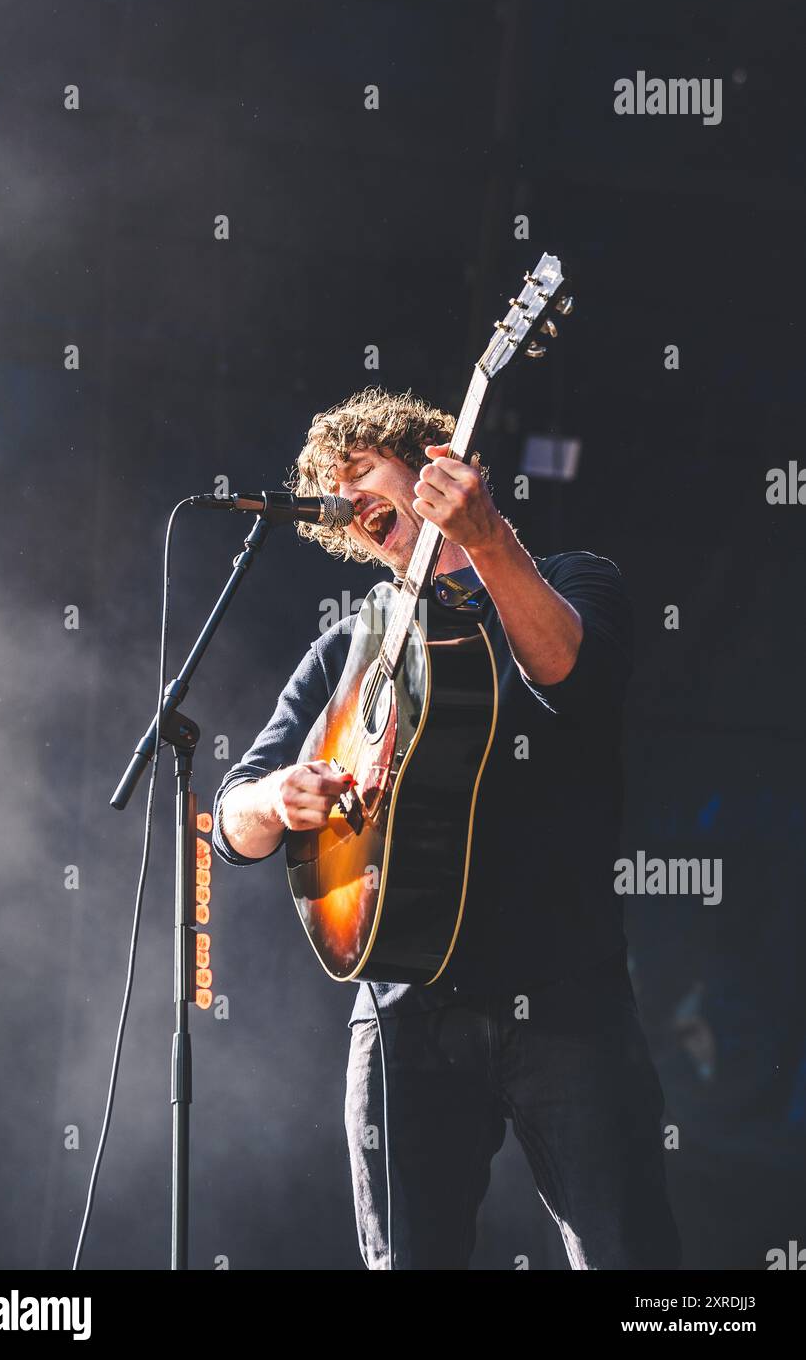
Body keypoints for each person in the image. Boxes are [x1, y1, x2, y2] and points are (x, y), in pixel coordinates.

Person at [212, 387, 681, 1270]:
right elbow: (230, 824)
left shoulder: (574, 580)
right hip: (403, 1008)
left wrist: (488, 541)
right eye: (332, 492)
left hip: (564, 997)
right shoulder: (344, 650)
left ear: (428, 461)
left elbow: (574, 681)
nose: (346, 498)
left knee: (629, 1260)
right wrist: (278, 799)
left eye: (360, 471)